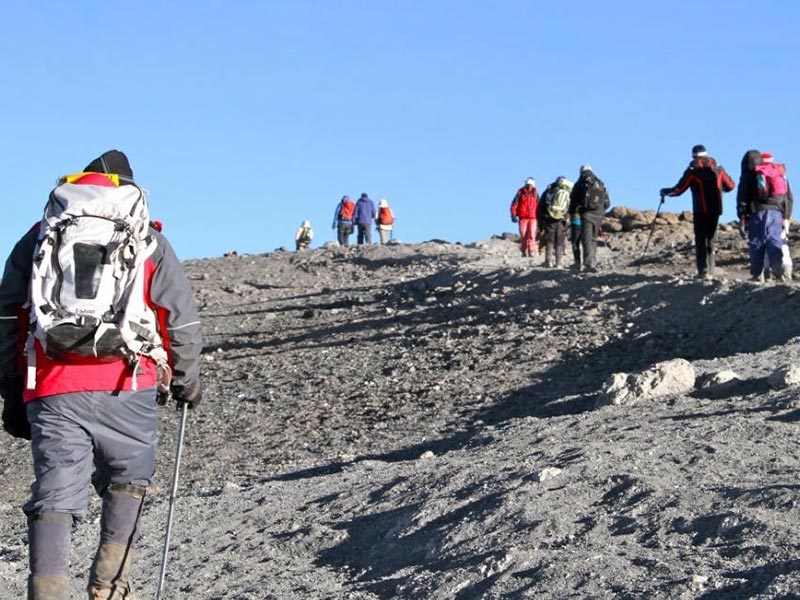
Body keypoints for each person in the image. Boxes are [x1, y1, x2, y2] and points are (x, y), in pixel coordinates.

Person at [0, 150, 203, 599]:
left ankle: (47, 593)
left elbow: (8, 318)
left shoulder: (40, 236)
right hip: (127, 383)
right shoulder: (147, 238)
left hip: (52, 386)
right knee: (128, 481)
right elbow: (179, 317)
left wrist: (13, 390)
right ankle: (109, 589)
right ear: (127, 189)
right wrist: (187, 379)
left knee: (54, 493)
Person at [660, 144, 735, 280]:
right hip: (716, 208)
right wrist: (720, 189)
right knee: (711, 239)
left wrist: (665, 192)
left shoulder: (693, 170)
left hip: (700, 209)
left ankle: (703, 271)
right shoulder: (718, 168)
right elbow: (731, 186)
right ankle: (711, 270)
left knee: (701, 239)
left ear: (694, 155)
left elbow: (679, 190)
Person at [736, 150, 794, 281]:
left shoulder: (750, 174)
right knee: (774, 239)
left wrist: (742, 217)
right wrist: (786, 216)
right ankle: (777, 267)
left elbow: (743, 198)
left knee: (757, 242)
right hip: (777, 212)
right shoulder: (779, 173)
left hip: (758, 212)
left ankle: (757, 274)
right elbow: (788, 198)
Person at [569, 164, 610, 272]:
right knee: (594, 238)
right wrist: (600, 211)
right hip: (599, 214)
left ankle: (588, 264)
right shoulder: (600, 182)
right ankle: (593, 261)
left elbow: (573, 200)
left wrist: (572, 212)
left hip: (586, 214)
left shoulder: (580, 182)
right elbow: (607, 202)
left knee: (586, 238)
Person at [537, 176, 573, 268]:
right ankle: (558, 263)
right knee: (560, 241)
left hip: (549, 219)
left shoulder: (549, 191)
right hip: (562, 220)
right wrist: (568, 219)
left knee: (550, 240)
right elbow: (570, 206)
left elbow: (541, 206)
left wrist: (541, 222)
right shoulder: (567, 191)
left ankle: (548, 262)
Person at [510, 177, 539, 257]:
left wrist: (540, 216)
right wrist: (513, 215)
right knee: (523, 234)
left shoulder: (535, 194)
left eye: (530, 185)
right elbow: (514, 205)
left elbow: (539, 205)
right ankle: (523, 250)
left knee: (532, 234)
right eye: (528, 184)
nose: (529, 186)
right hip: (523, 217)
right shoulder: (520, 193)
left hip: (533, 217)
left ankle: (531, 251)